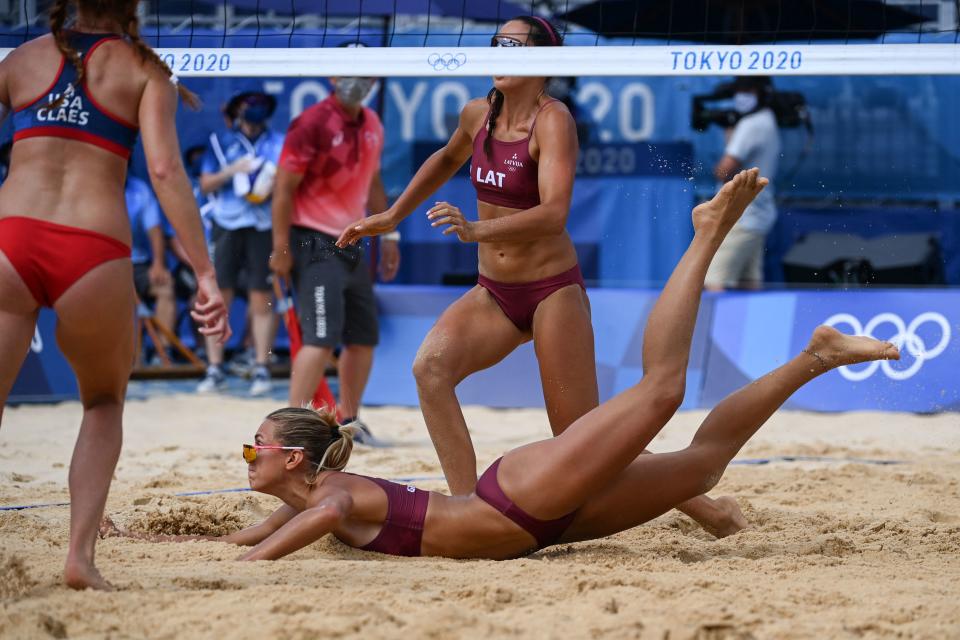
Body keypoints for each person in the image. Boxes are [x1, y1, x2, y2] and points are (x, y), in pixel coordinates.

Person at [102, 170, 900, 561]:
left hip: (520, 504)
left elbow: (273, 551)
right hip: (530, 525)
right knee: (704, 466)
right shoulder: (315, 496)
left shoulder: (331, 500)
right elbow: (251, 539)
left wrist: (243, 551)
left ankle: (703, 234)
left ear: (298, 460)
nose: (248, 460)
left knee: (660, 391)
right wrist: (152, 538)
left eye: (254, 450)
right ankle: (814, 358)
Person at [336, 17, 736, 535]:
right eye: (496, 43)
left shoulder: (553, 121)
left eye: (513, 45)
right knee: (430, 371)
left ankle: (706, 507)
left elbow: (554, 214)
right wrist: (393, 215)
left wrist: (476, 229)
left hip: (552, 292)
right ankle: (465, 506)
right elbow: (447, 156)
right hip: (494, 294)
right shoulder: (477, 114)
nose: (499, 51)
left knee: (582, 434)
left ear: (543, 60)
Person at [0, 0, 229, 590]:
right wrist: (205, 274)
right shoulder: (144, 69)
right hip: (92, 250)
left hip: (11, 236)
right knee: (102, 403)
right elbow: (164, 172)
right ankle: (79, 558)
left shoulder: (22, 59)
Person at [269, 69, 400, 436]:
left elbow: (373, 182)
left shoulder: (372, 121)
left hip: (352, 239)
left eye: (366, 74)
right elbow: (283, 189)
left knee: (362, 338)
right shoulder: (312, 122)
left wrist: (391, 236)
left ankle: (348, 420)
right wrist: (279, 248)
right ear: (331, 76)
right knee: (320, 336)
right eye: (349, 72)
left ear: (375, 81)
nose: (358, 80)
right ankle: (289, 426)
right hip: (312, 241)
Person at [196, 89, 284, 396]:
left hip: (263, 226)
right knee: (219, 296)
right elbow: (205, 184)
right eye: (248, 105)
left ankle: (261, 366)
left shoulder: (278, 142)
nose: (254, 109)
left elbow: (291, 184)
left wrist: (271, 182)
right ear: (236, 110)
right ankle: (215, 368)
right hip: (227, 223)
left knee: (262, 296)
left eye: (260, 104)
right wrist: (234, 171)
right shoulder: (220, 143)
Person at [705, 76, 782, 291]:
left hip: (742, 216)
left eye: (748, 89)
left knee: (713, 280)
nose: (742, 94)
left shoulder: (751, 124)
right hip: (757, 214)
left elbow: (723, 171)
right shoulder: (767, 119)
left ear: (761, 93)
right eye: (739, 89)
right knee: (748, 283)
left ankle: (715, 327)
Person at [127, 171, 177, 357]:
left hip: (138, 263)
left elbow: (154, 229)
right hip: (105, 266)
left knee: (165, 287)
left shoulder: (140, 189)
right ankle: (128, 355)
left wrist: (158, 264)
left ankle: (162, 351)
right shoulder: (95, 187)